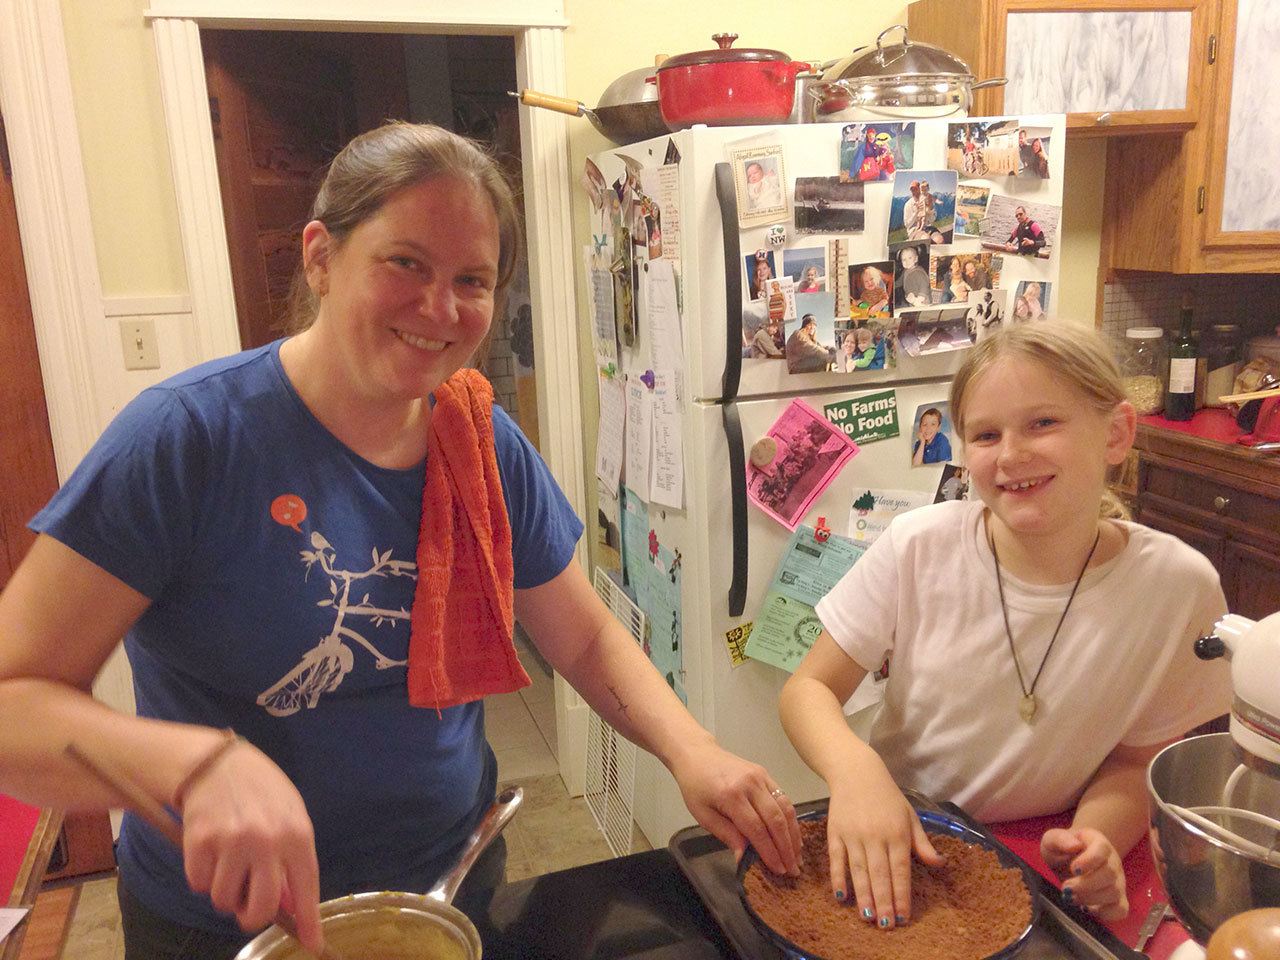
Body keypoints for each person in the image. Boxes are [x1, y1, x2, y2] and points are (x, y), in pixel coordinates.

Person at [0, 123, 803, 960]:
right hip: (230, 926)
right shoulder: (185, 441)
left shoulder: (483, 443)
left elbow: (588, 638)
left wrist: (694, 751)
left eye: (472, 280)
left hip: (449, 889)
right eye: (405, 263)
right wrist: (192, 765)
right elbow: (11, 702)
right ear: (319, 256)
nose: (440, 309)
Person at [778, 323, 1229, 931]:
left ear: (1117, 433)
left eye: (1043, 423)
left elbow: (1135, 759)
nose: (1011, 454)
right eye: (986, 434)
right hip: (905, 830)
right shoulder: (920, 546)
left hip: (1046, 845)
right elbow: (807, 690)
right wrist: (857, 772)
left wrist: (1092, 840)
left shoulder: (1178, 587)